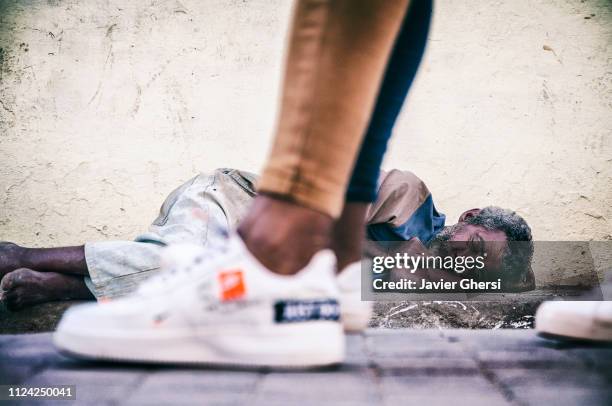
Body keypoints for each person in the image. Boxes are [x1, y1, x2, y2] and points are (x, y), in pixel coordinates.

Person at [0, 168, 534, 310]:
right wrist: (393, 258)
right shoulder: (409, 197)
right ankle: (22, 256)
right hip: (234, 202)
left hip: (250, 256)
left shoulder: (428, 283)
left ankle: (57, 286)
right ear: (466, 217)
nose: (463, 259)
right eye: (475, 245)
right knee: (190, 258)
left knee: (222, 286)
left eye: (476, 268)